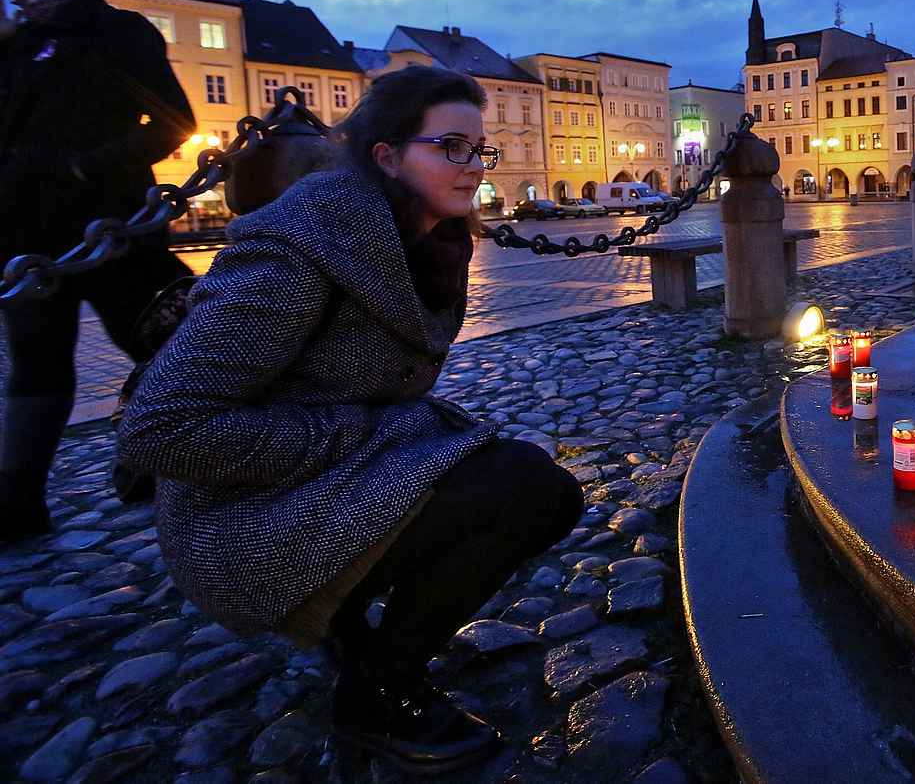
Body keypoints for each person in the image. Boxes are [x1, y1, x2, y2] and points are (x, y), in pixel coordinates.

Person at [118, 66, 584, 774]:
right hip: (240, 515)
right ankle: (376, 692)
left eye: (478, 149)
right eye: (450, 146)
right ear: (387, 155)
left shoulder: (429, 241)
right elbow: (162, 428)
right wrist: (347, 437)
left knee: (525, 479)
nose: (473, 168)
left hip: (322, 477)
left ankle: (356, 624)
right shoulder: (300, 247)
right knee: (527, 488)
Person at [0, 0, 195, 543]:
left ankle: (186, 465)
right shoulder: (17, 44)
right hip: (28, 238)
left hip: (113, 230)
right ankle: (18, 505)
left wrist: (83, 167)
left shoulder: (117, 31)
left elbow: (172, 125)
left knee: (169, 350)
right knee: (35, 363)